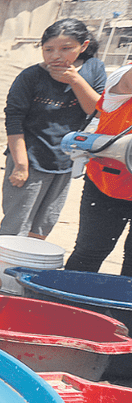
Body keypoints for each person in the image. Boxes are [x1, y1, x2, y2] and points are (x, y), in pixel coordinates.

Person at [0, 18, 104, 238]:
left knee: (43, 225)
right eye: (48, 50)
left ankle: (27, 267)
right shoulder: (30, 76)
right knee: (15, 225)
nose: (55, 56)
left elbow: (96, 110)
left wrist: (76, 81)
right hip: (30, 159)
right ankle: (2, 270)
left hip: (65, 160)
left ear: (83, 46)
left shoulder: (93, 69)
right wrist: (20, 165)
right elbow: (14, 119)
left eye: (66, 49)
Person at [66, 61, 132, 275]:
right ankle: (67, 306)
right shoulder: (123, 76)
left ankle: (121, 310)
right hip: (107, 185)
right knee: (89, 254)